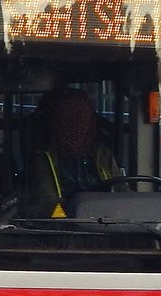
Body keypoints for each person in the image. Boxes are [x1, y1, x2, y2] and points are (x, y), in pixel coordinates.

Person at [28, 88, 123, 218]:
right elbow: (47, 203)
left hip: (107, 226)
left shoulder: (104, 155)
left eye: (83, 118)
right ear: (58, 123)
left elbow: (123, 193)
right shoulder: (44, 158)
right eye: (70, 118)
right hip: (63, 231)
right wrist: (75, 216)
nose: (78, 125)